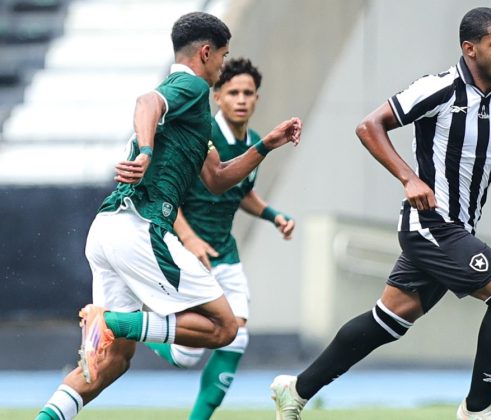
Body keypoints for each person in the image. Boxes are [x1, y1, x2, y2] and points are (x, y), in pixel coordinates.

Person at [270, 7, 491, 420]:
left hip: (459, 228)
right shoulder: (439, 88)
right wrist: (409, 179)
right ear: (470, 49)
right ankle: (477, 409)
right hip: (431, 224)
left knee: (389, 320)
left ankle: (296, 390)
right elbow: (369, 126)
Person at [36, 12, 302, 420]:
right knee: (225, 327)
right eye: (223, 56)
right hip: (141, 228)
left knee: (114, 361)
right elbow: (147, 102)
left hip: (108, 229)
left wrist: (266, 144)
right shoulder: (191, 86)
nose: (223, 65)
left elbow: (217, 178)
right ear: (206, 53)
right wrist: (145, 152)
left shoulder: (193, 114)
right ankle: (112, 322)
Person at [144, 57, 295, 419]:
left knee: (237, 336)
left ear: (257, 98)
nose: (241, 99)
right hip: (189, 254)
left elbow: (240, 191)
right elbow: (170, 192)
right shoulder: (203, 136)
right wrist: (189, 239)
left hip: (226, 254)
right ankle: (132, 326)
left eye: (248, 93)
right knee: (186, 355)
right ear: (218, 97)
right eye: (233, 92)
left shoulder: (254, 142)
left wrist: (274, 216)